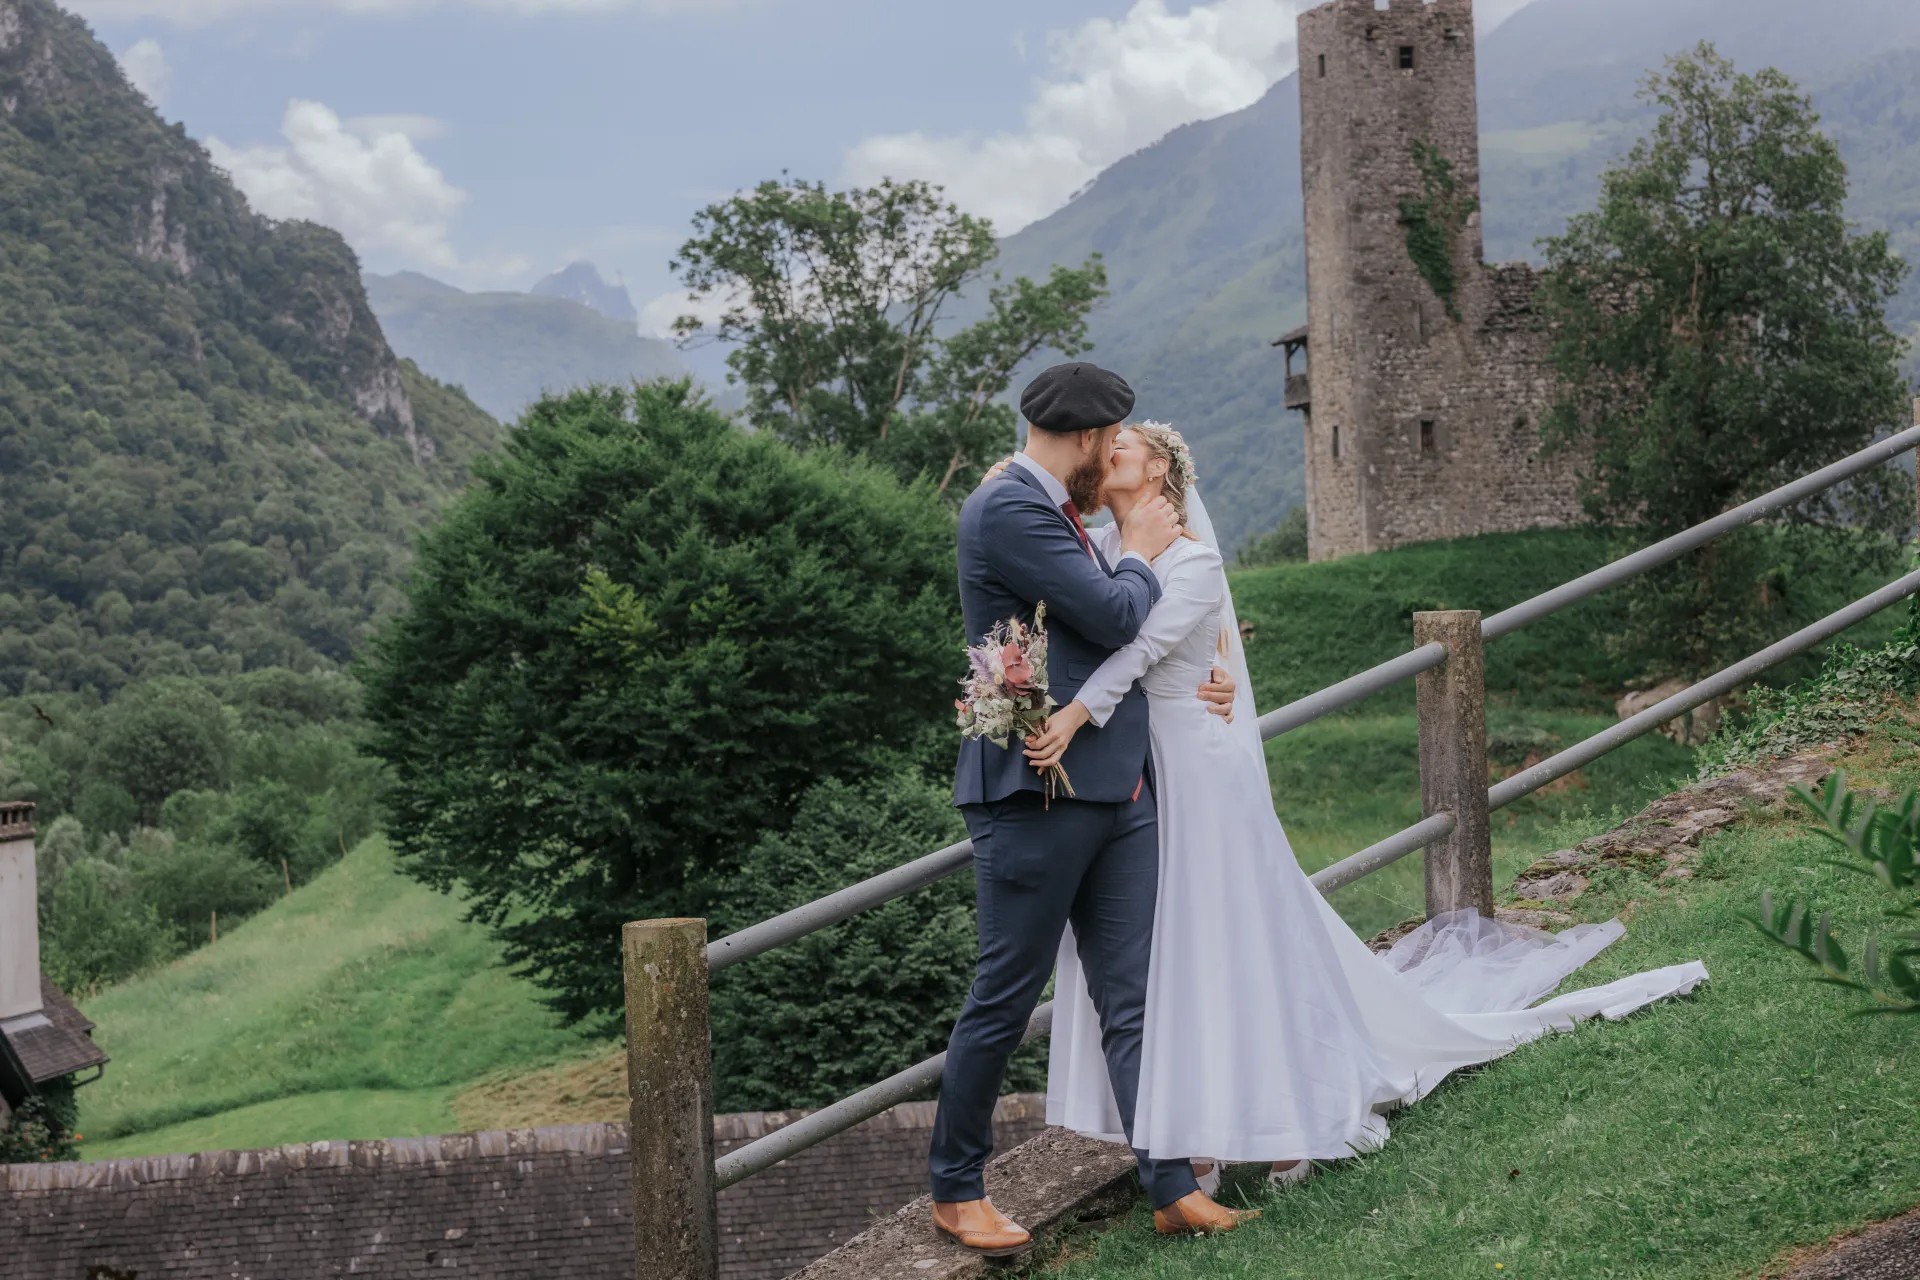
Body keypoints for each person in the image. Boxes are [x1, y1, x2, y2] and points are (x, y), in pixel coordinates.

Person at [1022, 423, 1710, 1191]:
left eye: (1122, 447)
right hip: (1144, 777)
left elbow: (1143, 653)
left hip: (1203, 778)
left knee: (1236, 940)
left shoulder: (1192, 555)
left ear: (1158, 469)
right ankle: (1195, 1129)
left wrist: (1091, 710)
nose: (1106, 452)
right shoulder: (1098, 547)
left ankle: (1287, 1122)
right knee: (1170, 950)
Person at [929, 365, 1257, 1256]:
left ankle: (1169, 1185)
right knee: (1003, 993)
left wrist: (1210, 677)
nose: (1113, 458)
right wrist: (1146, 553)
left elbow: (1150, 633)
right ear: (1079, 445)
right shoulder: (1011, 511)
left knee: (1132, 997)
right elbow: (1115, 616)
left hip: (1118, 785)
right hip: (1034, 793)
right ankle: (956, 1190)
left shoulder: (1056, 507)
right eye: (1106, 445)